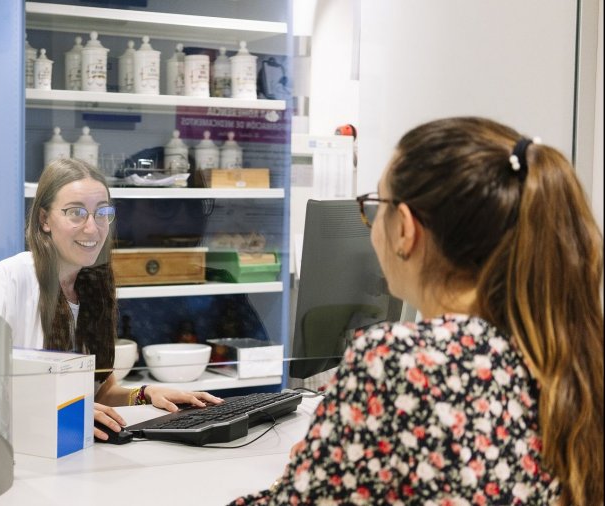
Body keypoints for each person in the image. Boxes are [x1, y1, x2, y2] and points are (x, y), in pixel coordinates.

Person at [232, 117, 603, 505]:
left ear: (406, 228)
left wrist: (304, 475)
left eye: (373, 205)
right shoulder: (562, 345)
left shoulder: (401, 360)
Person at [0, 158, 221, 441]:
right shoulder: (12, 278)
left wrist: (146, 393)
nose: (93, 228)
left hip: (73, 447)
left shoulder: (94, 285)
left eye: (102, 212)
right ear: (44, 219)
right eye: (76, 213)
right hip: (18, 451)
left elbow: (99, 390)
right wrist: (59, 412)